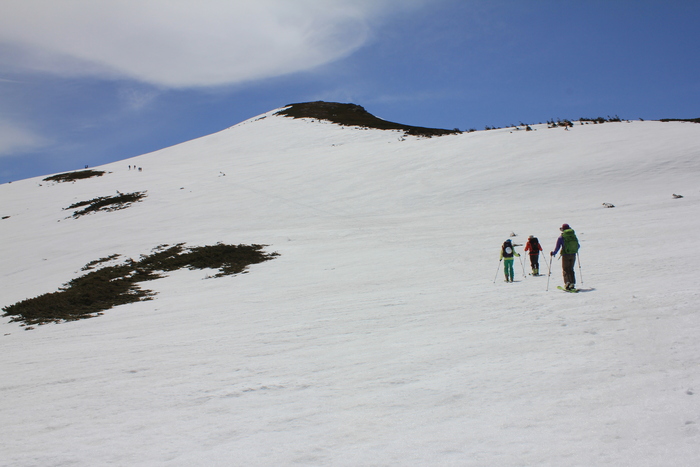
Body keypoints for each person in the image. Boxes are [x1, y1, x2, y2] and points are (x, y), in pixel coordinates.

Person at [550, 224, 580, 290]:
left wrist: (553, 253)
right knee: (571, 269)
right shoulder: (573, 236)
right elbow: (578, 246)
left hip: (565, 255)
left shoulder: (561, 237)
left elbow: (557, 247)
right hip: (573, 254)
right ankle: (572, 283)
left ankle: (567, 283)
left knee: (566, 269)